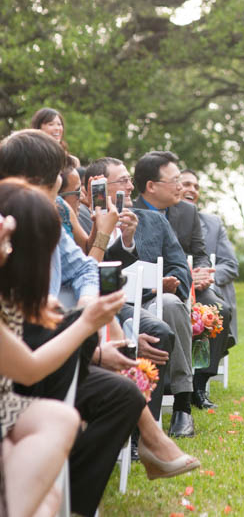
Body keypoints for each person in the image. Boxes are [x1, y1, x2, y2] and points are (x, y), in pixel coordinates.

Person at [0, 131, 199, 513]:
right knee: (120, 338)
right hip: (31, 354)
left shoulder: (48, 216)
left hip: (46, 338)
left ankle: (74, 499)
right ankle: (152, 438)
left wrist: (92, 309)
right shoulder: (26, 216)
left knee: (123, 391)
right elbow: (29, 348)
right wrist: (89, 322)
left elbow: (88, 271)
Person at [0, 178, 125, 517]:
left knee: (49, 500)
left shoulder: (12, 295)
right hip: (15, 396)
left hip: (11, 403)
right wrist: (88, 322)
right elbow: (28, 367)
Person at [82, 157, 178, 428]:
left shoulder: (131, 218)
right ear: (99, 186)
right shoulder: (83, 217)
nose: (129, 184)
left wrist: (126, 239)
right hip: (95, 301)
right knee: (150, 334)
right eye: (122, 180)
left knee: (160, 334)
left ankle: (145, 430)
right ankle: (137, 431)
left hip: (123, 300)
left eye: (128, 179)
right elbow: (91, 269)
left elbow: (118, 270)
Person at [109, 151, 197, 438]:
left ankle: (183, 404)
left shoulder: (154, 221)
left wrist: (172, 281)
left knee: (171, 303)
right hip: (119, 303)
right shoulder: (90, 222)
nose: (129, 188)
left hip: (155, 300)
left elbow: (179, 264)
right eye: (174, 180)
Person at [179, 169, 238, 408]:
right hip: (174, 286)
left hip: (203, 287)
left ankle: (200, 385)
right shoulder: (163, 217)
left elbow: (230, 265)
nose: (191, 189)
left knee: (218, 309)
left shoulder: (212, 224)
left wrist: (208, 277)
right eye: (185, 184)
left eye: (196, 186)